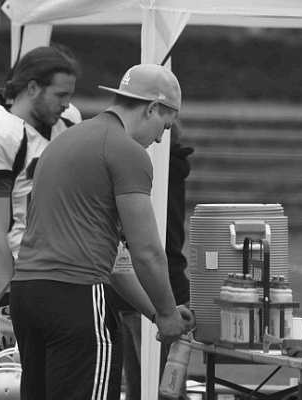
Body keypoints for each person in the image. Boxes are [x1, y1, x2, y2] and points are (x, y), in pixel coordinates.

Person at [9, 64, 196, 400]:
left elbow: (116, 262)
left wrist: (157, 312)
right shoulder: (127, 151)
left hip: (27, 294)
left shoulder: (65, 141)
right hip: (77, 297)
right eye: (164, 126)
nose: (159, 139)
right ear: (152, 108)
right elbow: (147, 251)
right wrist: (169, 314)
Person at [0, 45, 82, 352]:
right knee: (12, 373)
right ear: (32, 88)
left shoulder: (68, 123)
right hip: (16, 269)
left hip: (64, 268)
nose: (66, 104)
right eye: (60, 95)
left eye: (69, 95)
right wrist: (8, 303)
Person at [115, 120, 194, 400]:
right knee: (144, 389)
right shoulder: (166, 168)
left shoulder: (150, 170)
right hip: (141, 286)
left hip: (152, 286)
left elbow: (148, 246)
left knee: (162, 390)